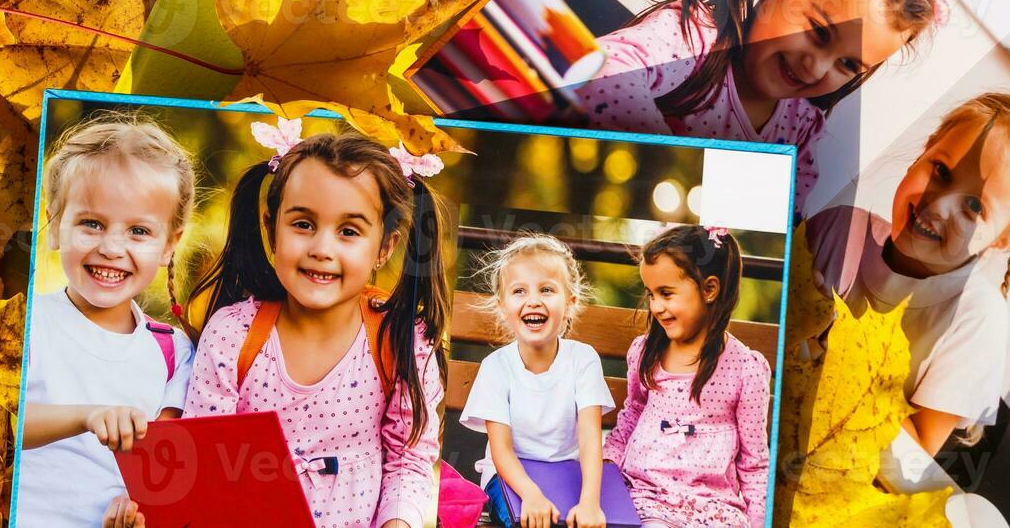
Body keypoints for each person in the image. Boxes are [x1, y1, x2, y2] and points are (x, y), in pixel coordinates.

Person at [580, 0, 937, 213]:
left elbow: (782, 211)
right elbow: (606, 70)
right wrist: (682, 170)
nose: (816, 67)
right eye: (818, 32)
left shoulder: (800, 129)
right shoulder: (697, 38)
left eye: (847, 65)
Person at [181, 119, 448, 528]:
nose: (322, 249)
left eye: (348, 231)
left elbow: (408, 461)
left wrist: (398, 523)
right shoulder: (233, 335)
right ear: (272, 228)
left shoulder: (400, 340)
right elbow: (202, 460)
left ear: (385, 246)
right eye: (303, 224)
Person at [807, 92, 1010, 455]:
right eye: (942, 171)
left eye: (974, 206)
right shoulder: (836, 229)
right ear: (924, 151)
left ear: (1003, 241)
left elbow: (916, 457)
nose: (938, 203)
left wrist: (831, 367)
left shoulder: (978, 319)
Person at [17, 114, 197, 528]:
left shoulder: (173, 351)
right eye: (91, 224)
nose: (112, 247)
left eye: (138, 231)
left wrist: (139, 509)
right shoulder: (26, 323)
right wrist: (87, 415)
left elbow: (164, 469)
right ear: (55, 226)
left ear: (170, 244)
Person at [604, 225, 770, 528]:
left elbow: (754, 462)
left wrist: (758, 521)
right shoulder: (646, 354)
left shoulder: (745, 369)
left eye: (666, 294)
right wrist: (607, 464)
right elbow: (632, 414)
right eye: (651, 294)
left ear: (709, 289)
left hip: (714, 507)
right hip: (647, 495)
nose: (656, 307)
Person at [460, 235, 615, 528]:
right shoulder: (496, 367)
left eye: (547, 290)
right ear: (503, 306)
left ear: (570, 303)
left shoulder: (583, 360)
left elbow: (590, 437)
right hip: (510, 480)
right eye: (519, 291)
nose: (533, 301)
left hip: (569, 475)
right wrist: (531, 494)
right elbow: (501, 450)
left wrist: (590, 502)